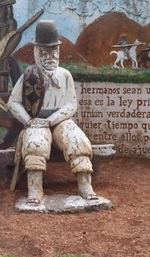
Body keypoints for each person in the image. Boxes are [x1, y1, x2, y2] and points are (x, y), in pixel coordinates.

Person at [7, 20, 96, 205]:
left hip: (61, 120)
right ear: (36, 51)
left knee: (77, 140)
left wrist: (52, 120)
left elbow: (71, 105)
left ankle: (85, 185)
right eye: (45, 51)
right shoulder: (29, 76)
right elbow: (13, 102)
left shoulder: (65, 75)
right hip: (36, 120)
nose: (50, 56)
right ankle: (35, 188)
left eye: (54, 51)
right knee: (35, 143)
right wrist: (28, 121)